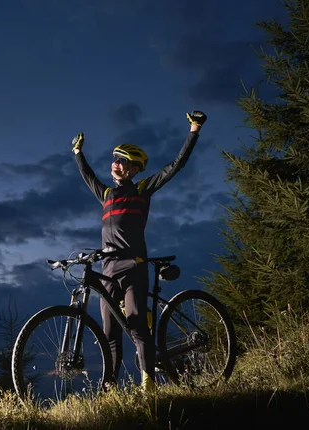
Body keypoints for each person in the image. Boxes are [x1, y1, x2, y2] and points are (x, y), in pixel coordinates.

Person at [71, 111, 207, 390]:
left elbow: (175, 166)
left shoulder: (142, 190)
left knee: (136, 326)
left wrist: (194, 130)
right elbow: (88, 176)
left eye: (121, 161)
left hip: (133, 266)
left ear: (133, 169)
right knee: (109, 333)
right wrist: (77, 153)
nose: (115, 164)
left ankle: (149, 384)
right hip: (107, 270)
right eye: (114, 159)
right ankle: (110, 388)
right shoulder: (107, 195)